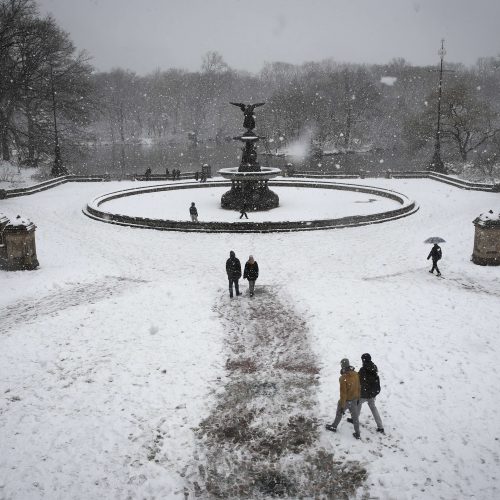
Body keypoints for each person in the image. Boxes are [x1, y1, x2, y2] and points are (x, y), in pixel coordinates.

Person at [326, 358, 361, 439]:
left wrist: (342, 405)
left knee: (339, 413)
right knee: (355, 417)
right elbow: (359, 387)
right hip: (355, 400)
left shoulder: (343, 378)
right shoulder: (356, 374)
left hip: (346, 401)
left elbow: (343, 394)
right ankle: (358, 433)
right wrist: (358, 398)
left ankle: (334, 427)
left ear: (342, 366)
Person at [350, 353, 384, 434]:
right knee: (373, 407)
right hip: (372, 393)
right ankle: (380, 427)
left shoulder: (363, 369)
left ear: (363, 360)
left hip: (365, 393)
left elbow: (358, 379)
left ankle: (354, 419)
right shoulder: (374, 367)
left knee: (357, 404)